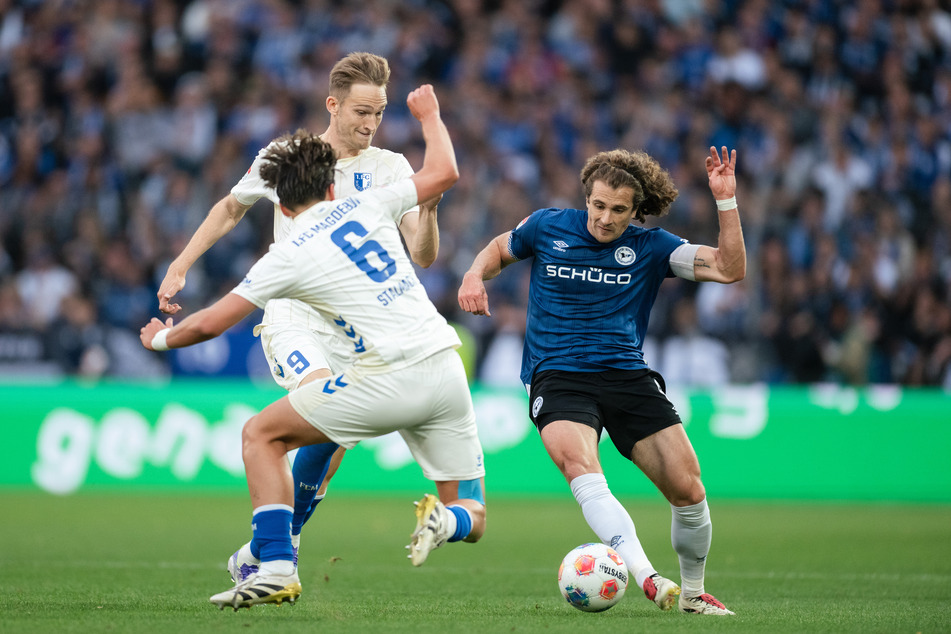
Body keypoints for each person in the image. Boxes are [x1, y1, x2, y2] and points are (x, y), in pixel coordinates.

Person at [141, 85, 486, 610]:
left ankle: (275, 557)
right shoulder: (369, 203)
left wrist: (160, 338)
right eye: (362, 109)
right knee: (471, 512)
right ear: (331, 189)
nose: (371, 120)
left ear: (280, 202)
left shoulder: (288, 255)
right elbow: (443, 172)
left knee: (263, 433)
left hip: (384, 371)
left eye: (380, 111)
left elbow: (212, 323)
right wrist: (432, 116)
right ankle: (445, 521)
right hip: (442, 361)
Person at [458, 146, 744, 616]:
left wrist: (726, 202)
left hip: (626, 376)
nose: (605, 219)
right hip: (558, 374)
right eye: (598, 205)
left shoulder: (654, 247)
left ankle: (693, 596)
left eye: (618, 210)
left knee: (689, 489)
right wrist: (474, 275)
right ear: (586, 197)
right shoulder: (548, 226)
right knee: (582, 467)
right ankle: (647, 575)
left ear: (637, 212)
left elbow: (730, 269)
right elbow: (498, 249)